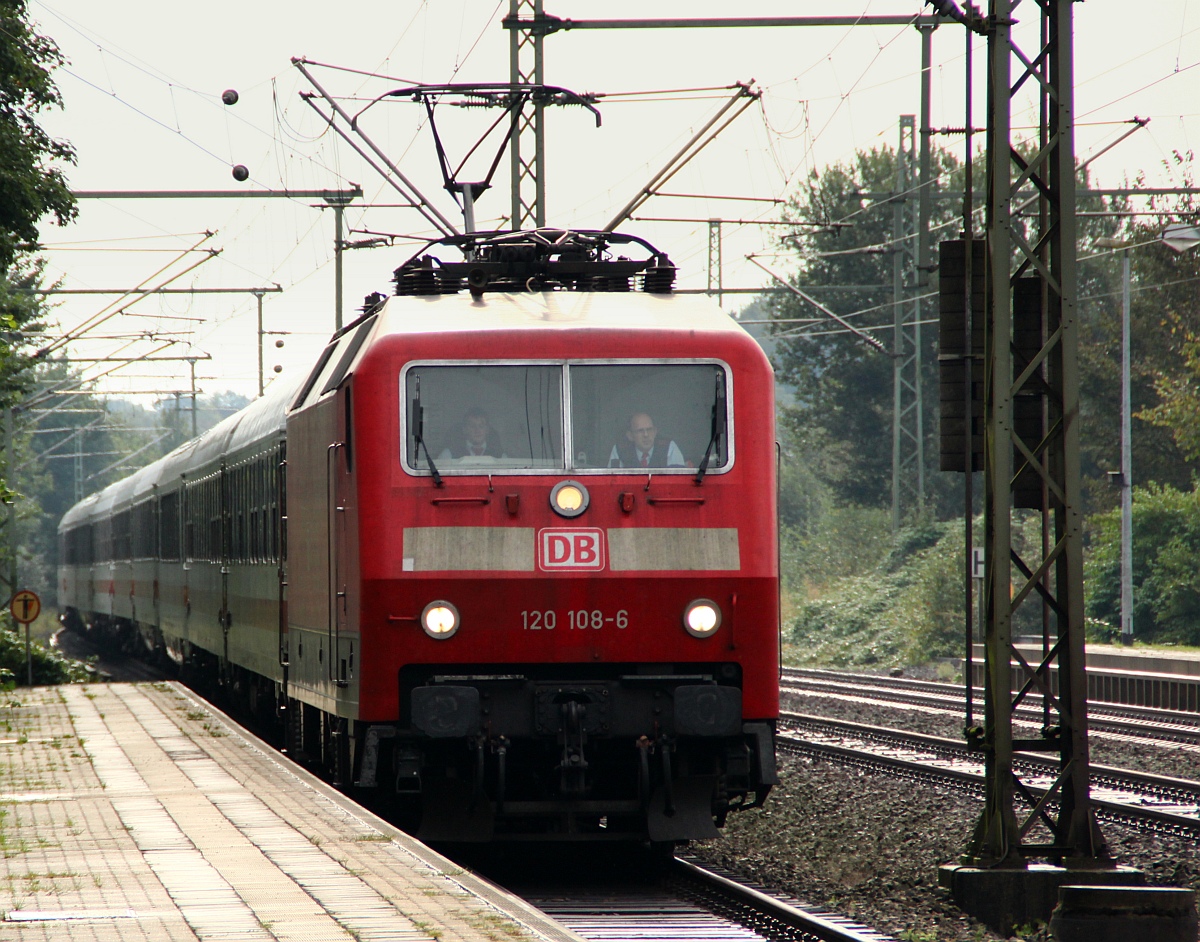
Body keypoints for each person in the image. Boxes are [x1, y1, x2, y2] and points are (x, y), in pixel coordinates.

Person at [608, 411, 685, 468]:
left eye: (649, 430)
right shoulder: (620, 449)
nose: (646, 435)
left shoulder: (669, 447)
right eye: (640, 431)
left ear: (655, 432)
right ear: (630, 435)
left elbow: (679, 480)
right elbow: (612, 482)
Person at [439, 407, 505, 460]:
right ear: (464, 430)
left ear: (487, 430)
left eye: (481, 426)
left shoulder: (500, 456)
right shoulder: (449, 455)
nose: (477, 430)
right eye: (472, 426)